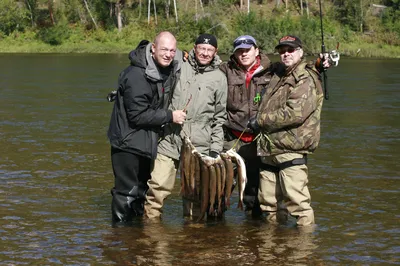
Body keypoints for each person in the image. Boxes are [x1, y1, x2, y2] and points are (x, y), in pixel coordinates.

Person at [144, 33, 228, 219]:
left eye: (209, 50)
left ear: (215, 52)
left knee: (195, 196)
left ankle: (192, 238)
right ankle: (149, 235)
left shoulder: (220, 78)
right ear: (194, 48)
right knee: (157, 188)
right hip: (170, 140)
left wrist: (215, 149)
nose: (205, 53)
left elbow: (219, 117)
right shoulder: (179, 65)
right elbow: (158, 50)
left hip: (199, 145)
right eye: (201, 48)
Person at [107, 31, 187, 224]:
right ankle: (121, 235)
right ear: (153, 48)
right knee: (127, 191)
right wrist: (170, 116)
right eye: (164, 49)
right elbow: (137, 115)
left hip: (145, 141)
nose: (168, 54)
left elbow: (184, 57)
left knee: (141, 190)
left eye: (172, 50)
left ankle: (135, 236)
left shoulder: (164, 64)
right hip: (127, 142)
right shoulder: (136, 75)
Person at [248, 35, 325, 226]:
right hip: (269, 149)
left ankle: (304, 250)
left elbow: (294, 113)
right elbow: (262, 63)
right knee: (269, 205)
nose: (286, 54)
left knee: (299, 205)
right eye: (282, 51)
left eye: (290, 50)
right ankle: (274, 249)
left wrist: (260, 121)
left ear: (300, 52)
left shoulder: (305, 77)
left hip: (291, 149)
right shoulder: (279, 74)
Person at [219, 35, 273, 217]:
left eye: (247, 50)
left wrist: (319, 67)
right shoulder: (224, 70)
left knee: (254, 189)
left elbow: (297, 70)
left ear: (256, 50)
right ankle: (214, 222)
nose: (243, 54)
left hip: (258, 140)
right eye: (239, 51)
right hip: (232, 139)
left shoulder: (272, 70)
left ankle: (253, 225)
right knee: (221, 185)